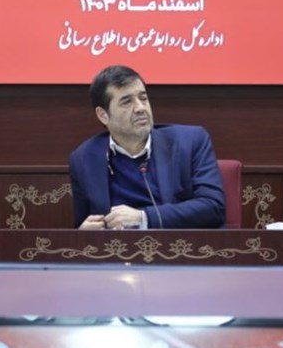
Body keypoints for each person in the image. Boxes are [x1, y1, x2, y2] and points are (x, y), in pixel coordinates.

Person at [69, 65, 225, 229]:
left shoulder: (190, 142)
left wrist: (144, 217)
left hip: (180, 242)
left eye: (143, 98)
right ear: (103, 115)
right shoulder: (83, 159)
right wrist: (85, 232)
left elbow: (214, 207)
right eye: (127, 102)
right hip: (118, 245)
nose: (140, 108)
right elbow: (84, 223)